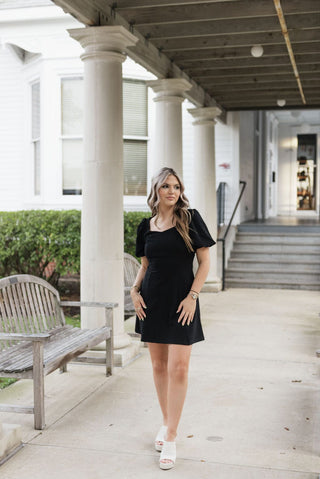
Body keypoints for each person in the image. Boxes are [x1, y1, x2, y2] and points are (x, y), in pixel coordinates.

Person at [130, 166, 216, 470]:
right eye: (166, 186)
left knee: (179, 369)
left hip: (183, 303)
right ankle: (167, 424)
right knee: (158, 366)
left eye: (176, 187)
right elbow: (145, 264)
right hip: (151, 301)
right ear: (156, 190)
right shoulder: (145, 226)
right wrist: (134, 289)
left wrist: (193, 296)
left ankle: (171, 436)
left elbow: (205, 262)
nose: (172, 192)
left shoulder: (190, 219)